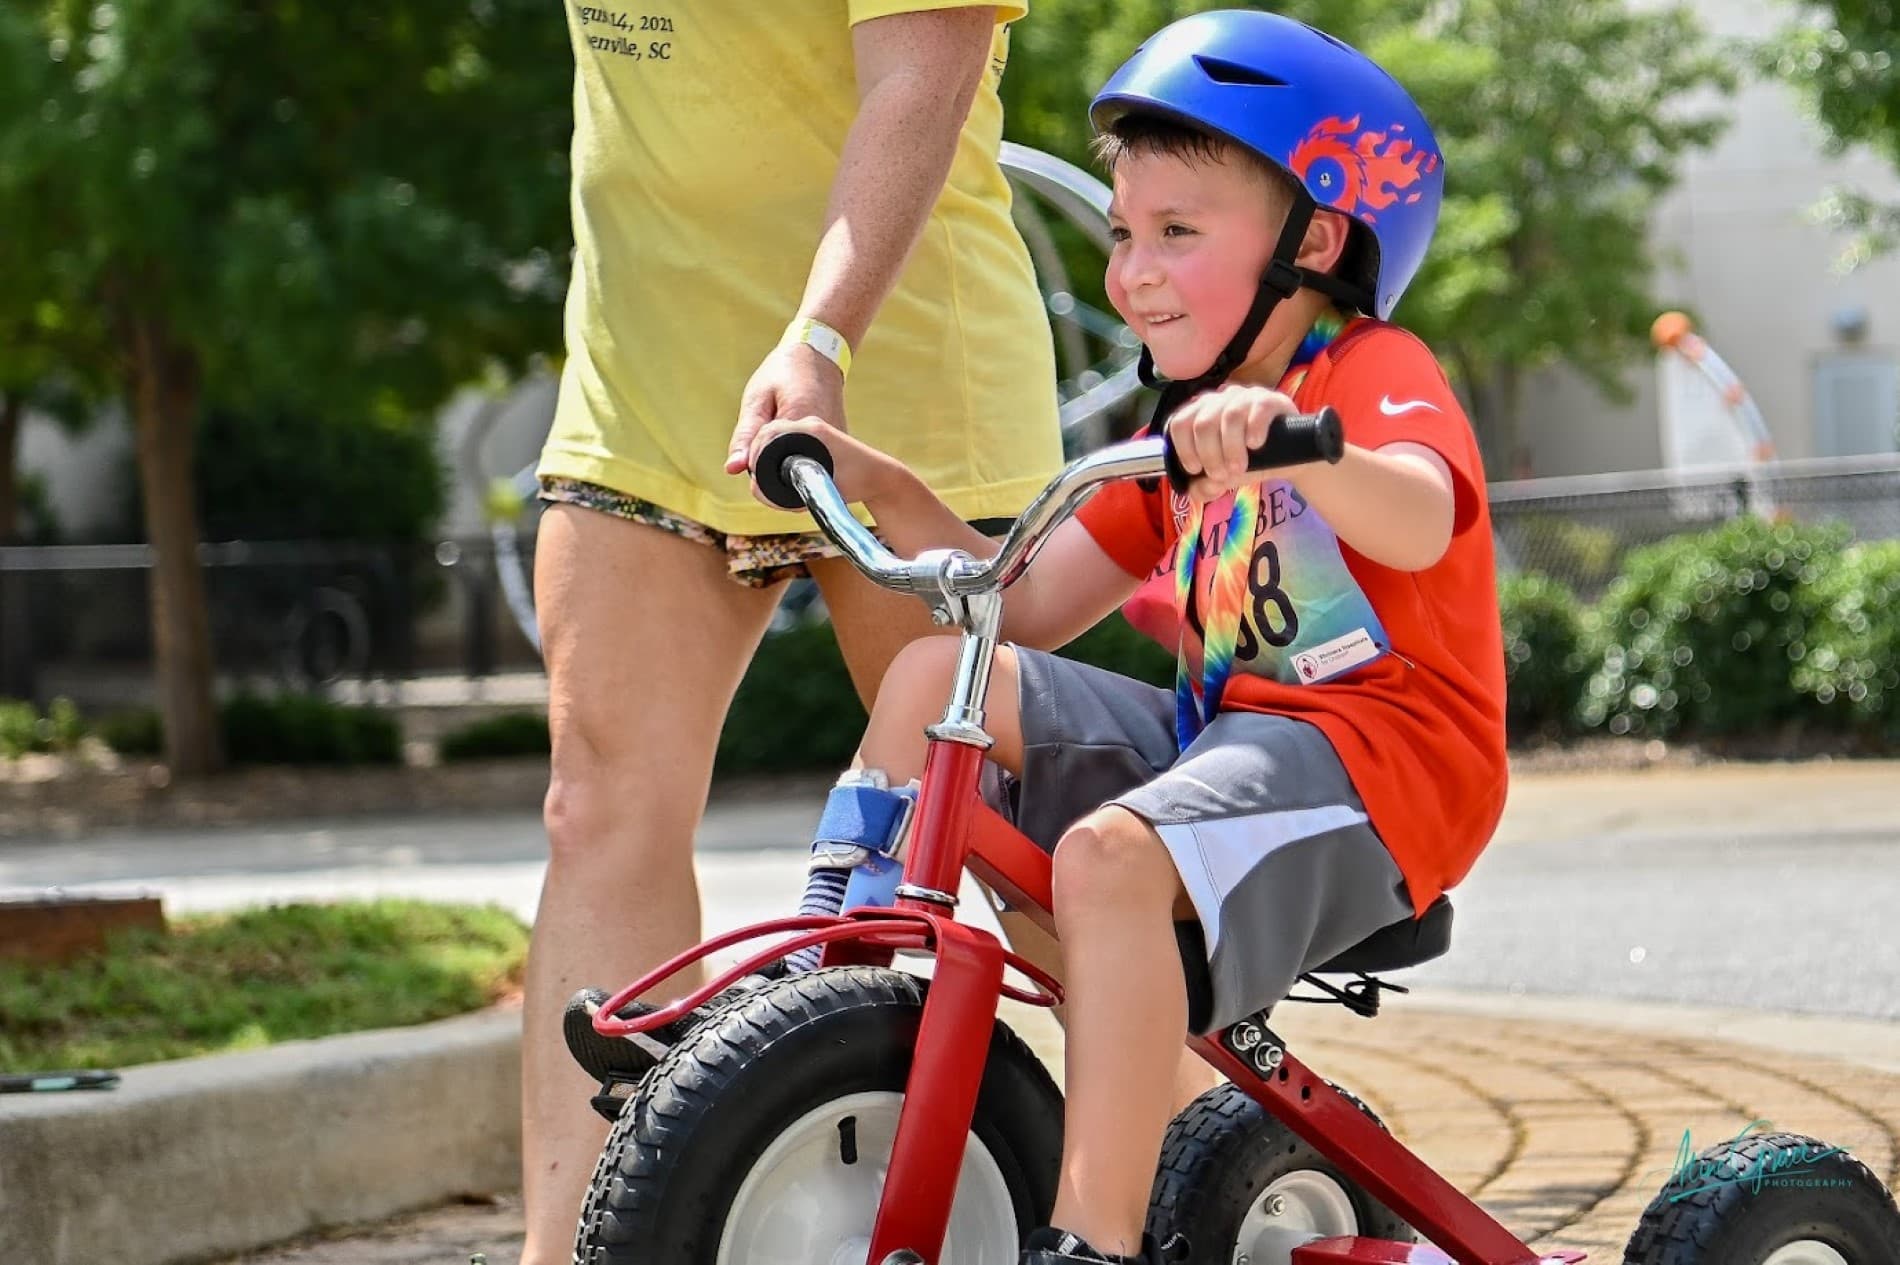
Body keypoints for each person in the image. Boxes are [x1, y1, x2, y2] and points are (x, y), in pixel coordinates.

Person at [740, 10, 1506, 1263]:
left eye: (1176, 233)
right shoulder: (1185, 431)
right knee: (943, 673)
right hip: (1232, 746)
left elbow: (1420, 514)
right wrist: (874, 478)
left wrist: (1304, 448)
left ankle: (1089, 1241)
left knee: (1104, 857)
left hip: (1388, 771)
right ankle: (839, 970)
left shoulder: (1362, 368)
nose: (1130, 272)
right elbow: (1013, 597)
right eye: (1120, 235)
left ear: (1314, 240)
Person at [522, 2, 1063, 1258]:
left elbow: (926, 75)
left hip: (905, 378)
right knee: (596, 809)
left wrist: (819, 341)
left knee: (1012, 830)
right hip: (648, 383)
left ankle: (1150, 1186)